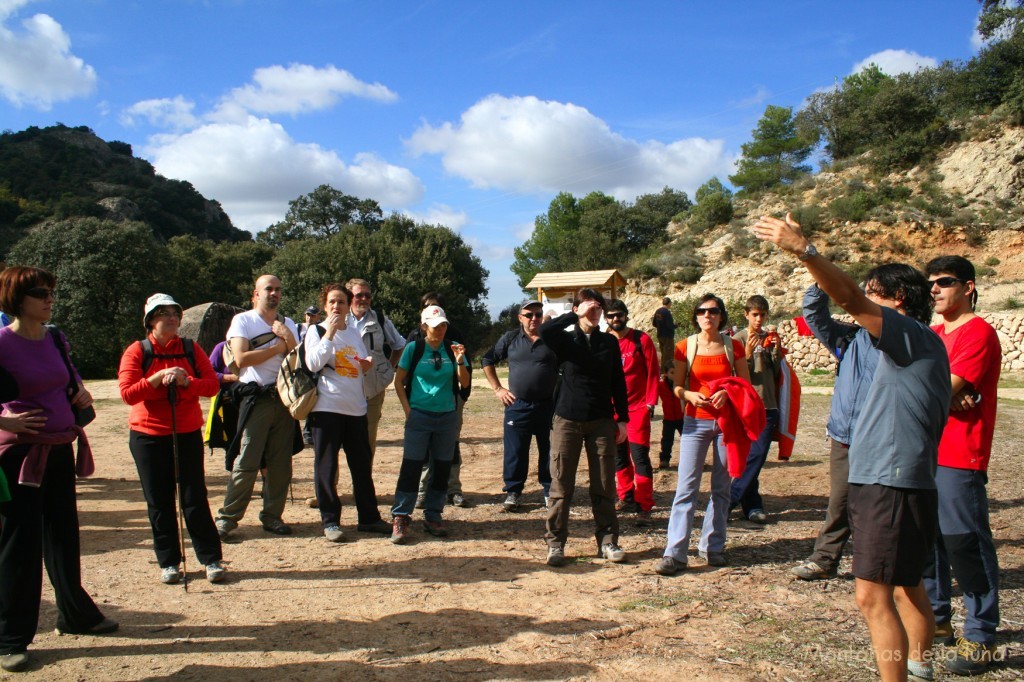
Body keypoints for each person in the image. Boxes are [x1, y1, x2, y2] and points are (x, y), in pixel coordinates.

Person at [755, 213, 950, 682]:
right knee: (906, 587)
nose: (862, 304)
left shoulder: (907, 334)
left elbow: (846, 296)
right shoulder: (910, 344)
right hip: (895, 479)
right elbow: (829, 311)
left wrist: (805, 251)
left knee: (872, 596)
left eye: (874, 293)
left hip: (889, 480)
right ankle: (921, 670)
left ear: (898, 299)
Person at [0, 266, 118, 674]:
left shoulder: (54, 337)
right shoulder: (1, 343)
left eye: (51, 291)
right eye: (40, 292)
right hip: (20, 457)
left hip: (60, 447)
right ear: (16, 298)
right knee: (21, 544)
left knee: (63, 536)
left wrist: (80, 392)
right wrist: (4, 421)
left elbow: (66, 382)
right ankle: (10, 639)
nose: (49, 298)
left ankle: (75, 615)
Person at [922, 256, 1001, 676]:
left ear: (967, 286)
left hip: (959, 453)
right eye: (930, 282)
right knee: (930, 540)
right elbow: (924, 384)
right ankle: (937, 619)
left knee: (965, 543)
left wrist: (944, 390)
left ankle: (982, 633)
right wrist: (944, 390)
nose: (934, 288)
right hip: (926, 451)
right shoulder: (933, 334)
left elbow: (934, 387)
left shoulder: (978, 333)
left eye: (944, 282)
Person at [118, 293, 225, 584]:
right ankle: (169, 562)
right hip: (148, 436)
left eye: (175, 313)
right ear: (151, 320)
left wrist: (185, 382)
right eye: (164, 313)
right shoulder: (137, 351)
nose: (172, 318)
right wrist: (156, 379)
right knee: (159, 500)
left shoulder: (190, 348)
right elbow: (128, 394)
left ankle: (211, 558)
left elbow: (212, 385)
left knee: (194, 498)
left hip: (186, 432)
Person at [790, 280, 880, 582]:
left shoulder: (900, 339)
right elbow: (814, 315)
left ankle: (880, 566)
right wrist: (822, 280)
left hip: (880, 438)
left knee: (880, 506)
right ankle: (825, 559)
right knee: (840, 501)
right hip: (844, 436)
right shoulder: (849, 338)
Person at [655, 294, 751, 576]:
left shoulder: (734, 347)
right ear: (695, 316)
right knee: (686, 488)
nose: (707, 315)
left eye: (713, 311)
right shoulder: (686, 347)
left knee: (721, 488)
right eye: (701, 311)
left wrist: (727, 392)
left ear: (722, 316)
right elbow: (677, 386)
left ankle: (713, 547)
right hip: (695, 422)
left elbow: (744, 384)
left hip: (726, 423)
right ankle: (675, 553)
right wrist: (688, 395)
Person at [539, 288, 629, 567]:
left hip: (602, 420)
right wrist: (572, 313)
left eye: (598, 307)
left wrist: (622, 419)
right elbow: (545, 332)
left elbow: (618, 382)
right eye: (590, 307)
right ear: (578, 309)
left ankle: (608, 541)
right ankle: (556, 544)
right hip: (567, 420)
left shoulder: (609, 343)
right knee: (561, 485)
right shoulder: (565, 340)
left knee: (603, 485)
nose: (595, 311)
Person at [303, 283, 392, 541]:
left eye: (341, 302)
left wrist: (367, 364)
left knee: (362, 467)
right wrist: (328, 334)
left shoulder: (354, 333)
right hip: (327, 409)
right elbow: (313, 363)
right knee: (327, 467)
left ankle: (369, 518)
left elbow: (362, 364)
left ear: (347, 304)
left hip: (356, 409)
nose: (336, 306)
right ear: (325, 305)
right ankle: (330, 521)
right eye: (332, 302)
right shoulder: (316, 331)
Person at [215, 274, 300, 540]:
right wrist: (278, 347)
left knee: (280, 464)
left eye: (277, 289)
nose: (273, 293)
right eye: (268, 289)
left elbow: (299, 357)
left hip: (284, 399)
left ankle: (272, 517)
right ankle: (227, 518)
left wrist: (287, 337)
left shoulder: (288, 324)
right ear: (256, 294)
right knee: (247, 460)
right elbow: (241, 359)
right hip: (256, 399)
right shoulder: (243, 321)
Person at [390, 305, 470, 543]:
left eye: (443, 324)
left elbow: (464, 383)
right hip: (419, 416)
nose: (441, 329)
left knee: (442, 467)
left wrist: (459, 361)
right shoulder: (414, 349)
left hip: (447, 416)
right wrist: (408, 411)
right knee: (412, 466)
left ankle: (433, 515)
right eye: (435, 326)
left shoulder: (452, 348)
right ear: (424, 327)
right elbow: (399, 382)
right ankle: (402, 516)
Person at [481, 300, 558, 512]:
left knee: (549, 449)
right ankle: (513, 492)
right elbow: (487, 360)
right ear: (520, 317)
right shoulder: (510, 338)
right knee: (516, 450)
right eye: (529, 314)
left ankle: (548, 490)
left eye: (538, 314)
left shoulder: (551, 339)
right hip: (517, 405)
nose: (534, 318)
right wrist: (498, 389)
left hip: (548, 404)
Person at [407, 292, 471, 508]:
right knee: (422, 450)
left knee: (451, 446)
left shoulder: (453, 336)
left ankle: (453, 489)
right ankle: (423, 490)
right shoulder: (414, 338)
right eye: (427, 306)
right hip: (420, 406)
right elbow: (403, 376)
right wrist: (409, 407)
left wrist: (461, 397)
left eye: (437, 307)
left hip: (449, 403)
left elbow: (465, 371)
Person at [728, 296, 783, 525]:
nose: (759, 320)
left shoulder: (769, 338)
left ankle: (739, 502)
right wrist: (748, 356)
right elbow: (733, 375)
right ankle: (745, 503)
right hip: (746, 405)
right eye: (755, 315)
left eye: (763, 315)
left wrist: (776, 352)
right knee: (751, 456)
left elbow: (777, 373)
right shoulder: (737, 340)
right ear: (746, 315)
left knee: (757, 456)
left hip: (768, 403)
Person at [605, 299, 659, 524]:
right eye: (611, 316)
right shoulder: (605, 342)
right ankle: (626, 496)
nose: (616, 319)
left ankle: (644, 505)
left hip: (637, 409)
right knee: (619, 457)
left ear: (626, 315)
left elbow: (653, 372)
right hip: (613, 411)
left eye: (619, 315)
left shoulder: (641, 339)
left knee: (639, 457)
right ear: (605, 319)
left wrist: (650, 403)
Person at [345, 278, 406, 465]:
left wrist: (387, 368)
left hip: (372, 389)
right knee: (338, 440)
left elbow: (399, 344)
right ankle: (332, 491)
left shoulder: (379, 319)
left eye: (367, 295)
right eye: (358, 295)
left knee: (367, 439)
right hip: (343, 389)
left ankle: (363, 489)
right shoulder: (339, 318)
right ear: (349, 297)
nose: (364, 299)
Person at [656, 367, 684, 469]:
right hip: (669, 419)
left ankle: (690, 461)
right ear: (666, 374)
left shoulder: (683, 384)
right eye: (672, 372)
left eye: (677, 372)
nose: (675, 375)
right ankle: (664, 460)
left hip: (682, 418)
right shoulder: (661, 386)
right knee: (667, 441)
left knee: (687, 440)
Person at [653, 297, 676, 373]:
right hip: (667, 337)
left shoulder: (658, 311)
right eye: (671, 303)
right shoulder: (667, 313)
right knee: (668, 356)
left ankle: (663, 371)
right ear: (669, 303)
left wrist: (660, 327)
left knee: (663, 353)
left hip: (660, 335)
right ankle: (664, 372)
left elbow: (654, 323)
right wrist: (676, 325)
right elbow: (669, 326)